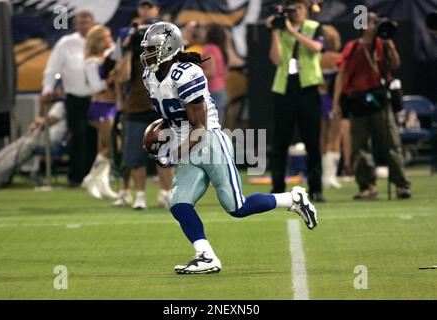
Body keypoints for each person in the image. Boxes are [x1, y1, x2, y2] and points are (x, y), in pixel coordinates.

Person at [140, 22, 318, 274]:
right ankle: (206, 256)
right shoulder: (150, 77)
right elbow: (170, 116)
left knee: (237, 207)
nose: (147, 55)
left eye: (152, 49)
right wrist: (160, 136)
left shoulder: (186, 73)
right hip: (184, 143)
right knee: (179, 203)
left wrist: (171, 153)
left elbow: (199, 127)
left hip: (209, 141)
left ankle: (292, 198)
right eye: (146, 49)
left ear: (168, 48)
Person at [333, 12, 411, 200]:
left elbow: (395, 65)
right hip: (357, 102)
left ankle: (401, 184)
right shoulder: (353, 47)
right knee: (360, 146)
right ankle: (367, 185)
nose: (373, 26)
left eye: (375, 22)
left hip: (380, 101)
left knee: (391, 144)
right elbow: (342, 74)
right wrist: (336, 103)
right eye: (370, 22)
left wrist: (390, 44)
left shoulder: (383, 45)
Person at [113, 0, 173, 209]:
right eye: (143, 7)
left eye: (150, 7)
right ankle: (139, 196)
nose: (145, 10)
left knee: (165, 153)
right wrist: (130, 46)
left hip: (161, 107)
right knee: (135, 155)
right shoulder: (128, 37)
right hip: (136, 106)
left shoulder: (166, 39)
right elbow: (121, 76)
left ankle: (166, 193)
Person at [266, 0, 326, 202]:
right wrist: (275, 31)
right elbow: (276, 60)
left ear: (307, 9)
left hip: (308, 89)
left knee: (312, 143)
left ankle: (316, 188)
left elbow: (316, 48)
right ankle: (277, 187)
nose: (297, 11)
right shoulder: (281, 29)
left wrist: (291, 31)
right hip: (284, 89)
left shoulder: (314, 27)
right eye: (293, 8)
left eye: (300, 7)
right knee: (280, 142)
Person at [41, 11, 97, 188]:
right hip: (75, 97)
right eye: (81, 22)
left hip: (96, 97)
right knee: (78, 136)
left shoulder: (99, 41)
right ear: (76, 24)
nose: (84, 26)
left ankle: (94, 176)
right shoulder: (66, 43)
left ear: (92, 23)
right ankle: (76, 177)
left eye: (87, 22)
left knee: (94, 137)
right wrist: (48, 88)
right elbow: (52, 68)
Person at [81, 25, 119, 199]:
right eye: (106, 37)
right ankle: (91, 177)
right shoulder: (92, 62)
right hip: (101, 107)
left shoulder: (105, 57)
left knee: (103, 147)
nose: (109, 39)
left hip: (111, 105)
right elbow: (95, 86)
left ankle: (102, 183)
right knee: (114, 146)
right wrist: (113, 77)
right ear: (97, 40)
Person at [320, 25, 343, 188]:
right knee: (334, 137)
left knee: (322, 137)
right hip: (331, 99)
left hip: (317, 99)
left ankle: (323, 175)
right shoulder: (338, 58)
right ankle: (330, 175)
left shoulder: (316, 58)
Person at [202, 24, 229, 126]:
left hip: (213, 91)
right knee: (217, 126)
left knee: (211, 128)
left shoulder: (209, 49)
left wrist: (193, 73)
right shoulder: (219, 49)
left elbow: (211, 72)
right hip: (220, 90)